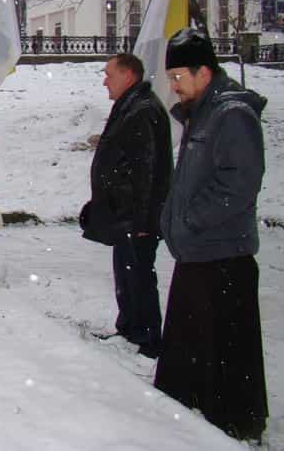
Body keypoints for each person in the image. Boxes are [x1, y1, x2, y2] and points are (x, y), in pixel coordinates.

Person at [155, 28, 268, 442]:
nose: (174, 85)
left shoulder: (231, 114)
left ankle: (234, 424)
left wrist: (188, 222)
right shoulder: (203, 111)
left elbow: (238, 185)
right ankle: (194, 416)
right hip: (199, 255)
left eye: (179, 76)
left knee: (227, 353)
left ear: (205, 72)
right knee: (192, 349)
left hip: (223, 257)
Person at [79, 53, 172, 358]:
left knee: (140, 273)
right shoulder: (130, 106)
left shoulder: (142, 111)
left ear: (128, 75)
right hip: (125, 214)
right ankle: (130, 326)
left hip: (137, 216)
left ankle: (148, 336)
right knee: (126, 271)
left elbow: (145, 171)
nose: (105, 80)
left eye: (109, 74)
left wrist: (144, 222)